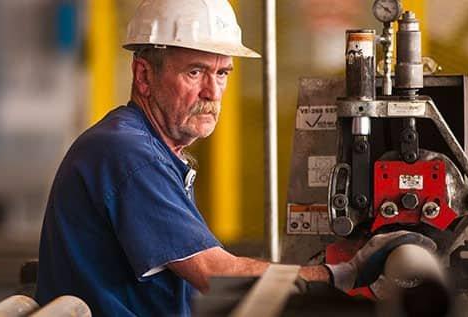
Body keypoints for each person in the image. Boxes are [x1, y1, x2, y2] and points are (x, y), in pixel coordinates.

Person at [36, 0, 435, 315]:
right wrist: (339, 275)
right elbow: (213, 273)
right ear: (144, 76)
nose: (212, 92)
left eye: (222, 73)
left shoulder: (144, 147)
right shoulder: (129, 154)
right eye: (195, 72)